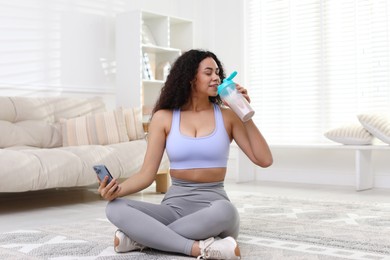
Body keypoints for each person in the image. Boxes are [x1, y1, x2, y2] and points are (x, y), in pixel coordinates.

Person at [98, 49, 273, 259]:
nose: (216, 77)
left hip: (213, 208)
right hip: (173, 208)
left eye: (217, 72)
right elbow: (146, 174)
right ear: (190, 77)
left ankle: (142, 239)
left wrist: (243, 111)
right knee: (115, 208)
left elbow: (264, 159)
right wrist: (116, 191)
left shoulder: (228, 117)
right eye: (208, 72)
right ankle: (197, 248)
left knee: (227, 211)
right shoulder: (164, 117)